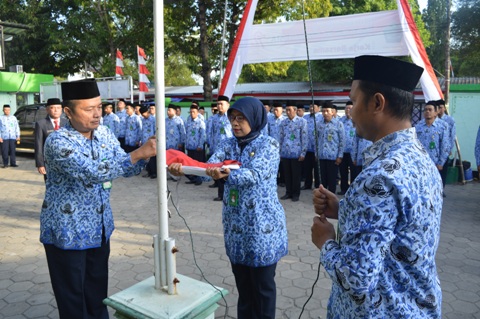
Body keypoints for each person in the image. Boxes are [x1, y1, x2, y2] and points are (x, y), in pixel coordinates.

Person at [311, 55, 442, 318]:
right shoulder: (418, 156)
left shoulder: (379, 176)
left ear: (377, 102)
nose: (350, 112)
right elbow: (397, 228)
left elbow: (357, 281)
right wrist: (344, 208)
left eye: (353, 101)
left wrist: (325, 242)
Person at [40, 79, 156, 319]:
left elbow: (124, 167)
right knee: (73, 299)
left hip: (99, 228)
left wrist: (146, 156)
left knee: (96, 294)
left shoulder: (104, 132)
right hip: (67, 233)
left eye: (99, 106)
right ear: (68, 112)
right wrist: (137, 154)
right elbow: (92, 172)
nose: (97, 114)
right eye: (88, 108)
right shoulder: (58, 141)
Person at [168, 97, 288, 319]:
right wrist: (184, 169)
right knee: (243, 289)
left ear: (255, 118)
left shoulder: (268, 145)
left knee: (262, 290)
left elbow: (255, 174)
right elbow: (208, 170)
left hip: (262, 229)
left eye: (241, 118)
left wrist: (227, 173)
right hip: (236, 228)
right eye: (232, 118)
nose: (235, 123)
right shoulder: (227, 144)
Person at [279, 102, 308, 202]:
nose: (287, 112)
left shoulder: (302, 122)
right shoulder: (283, 122)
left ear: (295, 110)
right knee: (287, 174)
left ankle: (296, 194)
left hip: (296, 153)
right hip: (286, 153)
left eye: (289, 110)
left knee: (296, 175)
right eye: (286, 110)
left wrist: (303, 153)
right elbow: (281, 138)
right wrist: (280, 152)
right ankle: (288, 192)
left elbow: (304, 138)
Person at [415, 101, 450, 180]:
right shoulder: (419, 126)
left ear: (436, 113)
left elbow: (445, 146)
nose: (427, 111)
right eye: (426, 110)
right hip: (421, 162)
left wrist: (441, 163)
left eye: (430, 110)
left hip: (435, 162)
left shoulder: (442, 126)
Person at [315, 101, 344, 194]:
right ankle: (323, 198)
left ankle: (331, 199)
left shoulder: (338, 124)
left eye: (327, 111)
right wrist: (316, 154)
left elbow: (342, 141)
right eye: (323, 111)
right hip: (321, 157)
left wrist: (340, 156)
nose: (325, 113)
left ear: (332, 112)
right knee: (322, 180)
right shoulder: (319, 124)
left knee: (332, 180)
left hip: (333, 157)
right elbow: (316, 140)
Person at [35, 98, 67, 178]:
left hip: (66, 162)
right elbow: (39, 145)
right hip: (49, 163)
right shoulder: (41, 124)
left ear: (62, 110)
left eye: (58, 108)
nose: (56, 110)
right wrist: (40, 164)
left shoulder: (67, 123)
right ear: (47, 110)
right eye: (53, 108)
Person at [210, 95, 232, 201]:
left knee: (228, 172)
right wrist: (211, 146)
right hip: (218, 150)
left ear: (228, 105)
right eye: (218, 104)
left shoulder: (232, 117)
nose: (219, 106)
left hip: (229, 150)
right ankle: (221, 194)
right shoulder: (214, 118)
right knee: (219, 172)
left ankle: (229, 195)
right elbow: (211, 133)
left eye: (221, 104)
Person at [184, 104, 206, 185]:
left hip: (197, 147)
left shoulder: (200, 122)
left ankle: (199, 179)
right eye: (191, 112)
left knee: (197, 164)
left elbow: (203, 135)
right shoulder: (188, 122)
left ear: (197, 113)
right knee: (190, 164)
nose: (192, 113)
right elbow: (187, 134)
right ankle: (192, 178)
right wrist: (186, 144)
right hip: (190, 147)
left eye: (193, 112)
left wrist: (200, 145)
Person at [302, 103, 322, 190]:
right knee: (307, 168)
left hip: (317, 148)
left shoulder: (321, 118)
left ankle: (317, 185)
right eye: (310, 107)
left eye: (313, 107)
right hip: (307, 147)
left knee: (317, 169)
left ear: (318, 108)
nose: (311, 108)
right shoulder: (305, 118)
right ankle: (307, 184)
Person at [338, 101, 355, 195]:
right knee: (343, 172)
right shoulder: (340, 121)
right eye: (346, 108)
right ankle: (343, 189)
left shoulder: (357, 121)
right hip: (343, 151)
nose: (348, 110)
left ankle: (352, 191)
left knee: (353, 172)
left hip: (353, 152)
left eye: (350, 108)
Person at [268, 102, 286, 187]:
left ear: (282, 110)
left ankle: (283, 180)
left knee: (282, 164)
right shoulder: (270, 120)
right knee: (273, 164)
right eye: (274, 110)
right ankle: (274, 179)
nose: (275, 112)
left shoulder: (285, 120)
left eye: (277, 110)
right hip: (272, 146)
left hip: (282, 145)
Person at [140, 104, 157, 178]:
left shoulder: (153, 119)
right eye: (142, 115)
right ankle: (149, 171)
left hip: (152, 141)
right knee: (146, 157)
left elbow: (156, 131)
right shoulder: (143, 120)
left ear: (147, 112)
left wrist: (153, 138)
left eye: (144, 114)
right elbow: (142, 130)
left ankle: (154, 172)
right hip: (145, 141)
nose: (143, 116)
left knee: (152, 157)